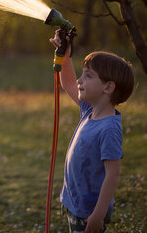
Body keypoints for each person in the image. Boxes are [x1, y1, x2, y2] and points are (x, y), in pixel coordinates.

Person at [50, 31, 134, 233]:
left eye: (88, 76)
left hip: (89, 213)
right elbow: (68, 82)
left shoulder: (109, 129)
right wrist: (65, 55)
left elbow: (112, 175)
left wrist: (97, 216)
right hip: (75, 203)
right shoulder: (90, 110)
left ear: (108, 88)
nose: (80, 80)